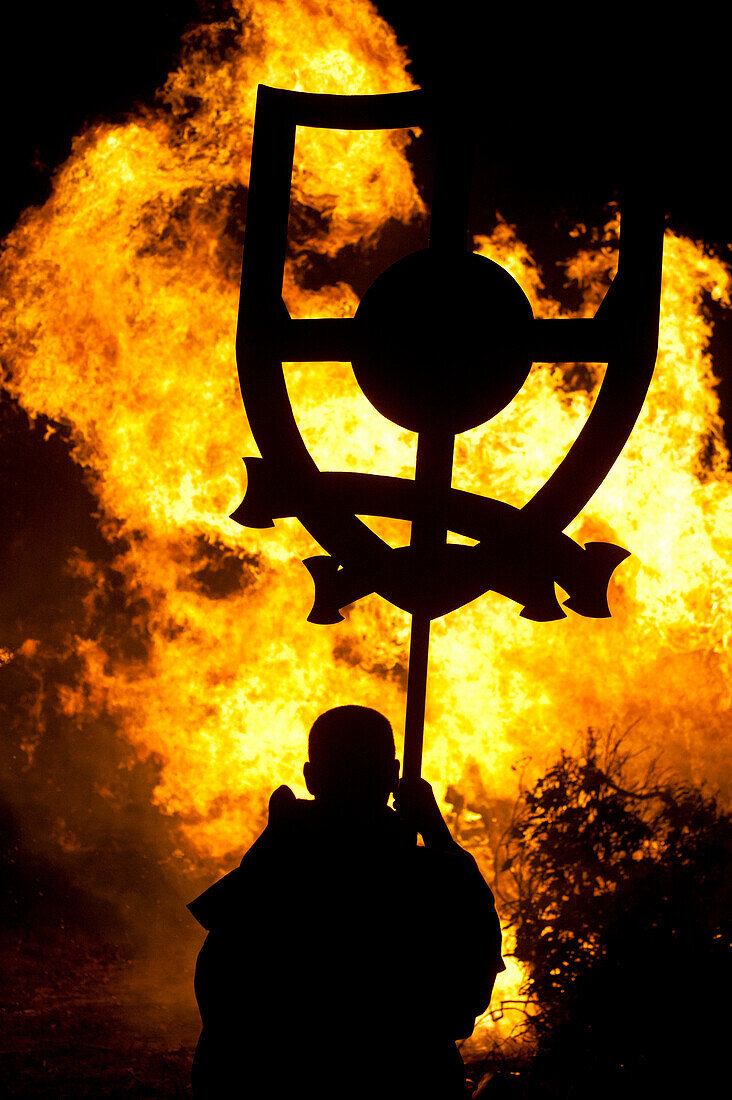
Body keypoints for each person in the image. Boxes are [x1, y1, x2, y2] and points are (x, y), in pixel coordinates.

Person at [189, 705, 504, 1098]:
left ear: (311, 777)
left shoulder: (267, 875)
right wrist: (437, 832)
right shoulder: (437, 879)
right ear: (393, 776)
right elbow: (466, 1003)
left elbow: (219, 1002)